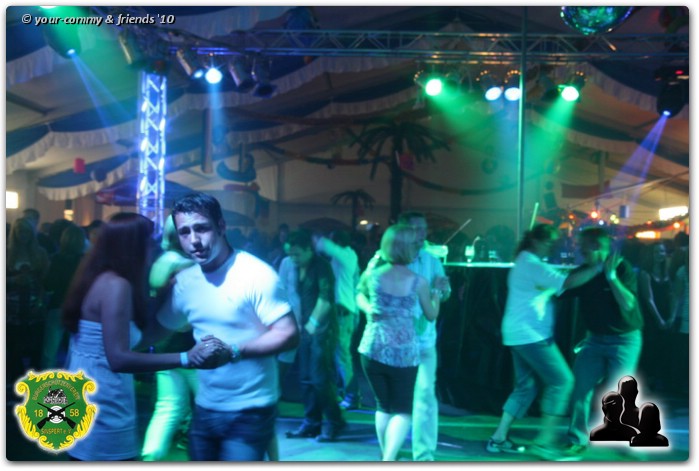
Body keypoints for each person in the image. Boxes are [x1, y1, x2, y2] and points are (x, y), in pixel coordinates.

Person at [62, 212, 225, 461]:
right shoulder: (116, 286)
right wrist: (186, 358)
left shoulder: (101, 279)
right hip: (102, 406)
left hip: (90, 402)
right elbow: (119, 358)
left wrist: (169, 302)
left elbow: (136, 341)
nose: (153, 248)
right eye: (148, 241)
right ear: (132, 246)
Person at [158, 192, 299, 461]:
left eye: (201, 228)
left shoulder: (256, 275)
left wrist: (234, 351)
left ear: (221, 227)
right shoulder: (186, 282)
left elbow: (289, 334)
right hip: (205, 406)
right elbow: (155, 331)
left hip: (251, 408)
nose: (194, 240)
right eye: (185, 232)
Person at [487, 224, 605, 458]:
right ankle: (544, 442)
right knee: (562, 381)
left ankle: (498, 438)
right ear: (536, 241)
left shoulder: (526, 261)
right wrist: (599, 266)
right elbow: (566, 283)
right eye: (549, 242)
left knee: (526, 387)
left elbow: (557, 281)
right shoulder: (532, 264)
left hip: (519, 334)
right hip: (530, 335)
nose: (552, 247)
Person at [366, 211, 450, 461]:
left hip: (413, 342)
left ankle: (421, 455)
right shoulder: (383, 261)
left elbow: (442, 293)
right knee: (396, 407)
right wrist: (369, 309)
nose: (422, 234)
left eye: (424, 228)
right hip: (396, 345)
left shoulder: (431, 261)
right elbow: (360, 291)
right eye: (416, 229)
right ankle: (388, 456)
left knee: (419, 396)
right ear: (403, 233)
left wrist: (442, 290)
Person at [561, 227, 644, 458]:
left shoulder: (622, 267)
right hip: (595, 340)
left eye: (583, 246)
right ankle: (577, 438)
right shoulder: (585, 271)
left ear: (596, 246)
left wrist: (611, 276)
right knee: (580, 388)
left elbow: (628, 304)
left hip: (624, 339)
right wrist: (597, 268)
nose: (579, 250)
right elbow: (566, 285)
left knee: (621, 391)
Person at [141, 216, 198, 461]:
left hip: (165, 344)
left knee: (168, 407)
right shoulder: (187, 265)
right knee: (209, 403)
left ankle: (150, 457)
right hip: (190, 345)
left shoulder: (162, 261)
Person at [284, 230, 346, 442]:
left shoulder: (322, 266)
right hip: (306, 329)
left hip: (323, 329)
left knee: (320, 378)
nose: (293, 258)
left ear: (309, 250)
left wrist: (312, 323)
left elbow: (326, 299)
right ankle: (311, 423)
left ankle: (334, 422)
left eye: (297, 254)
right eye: (290, 254)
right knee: (305, 379)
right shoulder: (296, 267)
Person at [314, 230, 362, 410]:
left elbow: (323, 245)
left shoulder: (346, 255)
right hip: (343, 313)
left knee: (342, 357)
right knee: (339, 356)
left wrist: (315, 239)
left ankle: (352, 396)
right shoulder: (346, 257)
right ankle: (344, 392)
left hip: (343, 314)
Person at [6, 217, 50, 384]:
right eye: (20, 231)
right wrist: (12, 280)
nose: (23, 235)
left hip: (34, 304)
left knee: (35, 345)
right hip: (11, 306)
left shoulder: (40, 253)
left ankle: (34, 382)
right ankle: (16, 382)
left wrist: (41, 301)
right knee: (13, 345)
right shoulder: (7, 252)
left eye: (26, 231)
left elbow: (46, 281)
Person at [42, 222, 86, 369]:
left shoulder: (56, 259)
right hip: (80, 307)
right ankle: (77, 380)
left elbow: (49, 285)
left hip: (58, 305)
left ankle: (48, 381)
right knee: (78, 351)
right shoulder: (86, 261)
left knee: (50, 351)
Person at [636, 242, 675, 391]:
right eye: (657, 252)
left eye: (662, 251)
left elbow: (671, 295)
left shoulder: (667, 272)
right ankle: (646, 381)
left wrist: (670, 317)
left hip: (664, 314)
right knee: (649, 349)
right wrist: (659, 319)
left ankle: (656, 379)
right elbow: (648, 299)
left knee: (662, 348)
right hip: (651, 317)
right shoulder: (645, 273)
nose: (660, 254)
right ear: (650, 254)